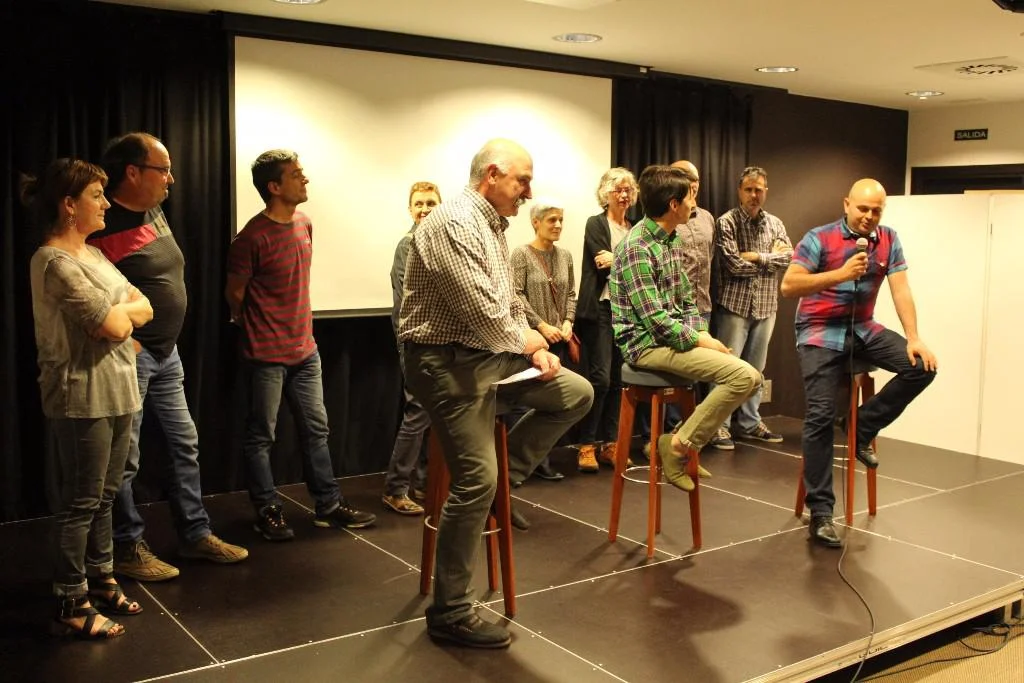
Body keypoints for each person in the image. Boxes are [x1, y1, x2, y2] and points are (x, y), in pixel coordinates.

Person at [398, 138, 593, 649]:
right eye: (522, 181)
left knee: (575, 393)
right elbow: (480, 312)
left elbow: (505, 303)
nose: (528, 192)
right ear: (491, 175)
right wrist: (530, 344)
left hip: (486, 356)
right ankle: (449, 613)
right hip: (444, 364)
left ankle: (504, 484)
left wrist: (532, 345)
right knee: (475, 480)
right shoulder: (453, 222)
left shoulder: (491, 224)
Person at [89, 132, 248, 581]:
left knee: (183, 445)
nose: (171, 180)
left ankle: (195, 534)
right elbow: (92, 299)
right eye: (163, 170)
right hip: (131, 358)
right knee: (125, 458)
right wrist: (129, 343)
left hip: (166, 355)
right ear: (133, 172)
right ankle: (126, 547)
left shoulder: (153, 210)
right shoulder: (101, 224)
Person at [25, 158, 153, 639]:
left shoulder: (95, 255)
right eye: (96, 196)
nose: (105, 204)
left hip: (119, 389)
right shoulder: (54, 261)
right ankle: (70, 598)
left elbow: (145, 305)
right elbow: (116, 324)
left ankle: (101, 578)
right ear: (68, 204)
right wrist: (121, 315)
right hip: (81, 395)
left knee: (105, 495)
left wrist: (122, 314)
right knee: (81, 501)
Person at [225, 150, 376, 541]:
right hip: (266, 355)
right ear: (274, 186)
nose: (304, 179)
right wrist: (255, 326)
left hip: (305, 350)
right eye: (296, 174)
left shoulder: (304, 223)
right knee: (262, 435)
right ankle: (267, 510)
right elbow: (235, 293)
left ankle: (328, 505)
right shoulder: (251, 238)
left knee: (316, 430)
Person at [781, 178, 937, 548]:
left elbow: (901, 288)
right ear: (846, 204)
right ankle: (821, 512)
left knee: (920, 367)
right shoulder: (819, 238)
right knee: (819, 415)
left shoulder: (889, 239)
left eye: (876, 211)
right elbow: (789, 286)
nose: (868, 216)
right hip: (819, 331)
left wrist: (914, 337)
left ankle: (858, 426)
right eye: (862, 208)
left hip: (863, 329)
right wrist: (840, 274)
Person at [609, 165, 761, 492]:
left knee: (752, 378)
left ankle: (678, 441)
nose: (695, 202)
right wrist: (700, 341)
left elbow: (686, 300)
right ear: (673, 204)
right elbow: (655, 320)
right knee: (743, 376)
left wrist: (701, 334)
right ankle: (679, 447)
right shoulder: (637, 247)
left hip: (671, 339)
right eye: (689, 196)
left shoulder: (671, 239)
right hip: (646, 346)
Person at [711, 166, 792, 449]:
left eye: (758, 190)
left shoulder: (776, 223)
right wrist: (770, 259)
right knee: (726, 368)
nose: (754, 195)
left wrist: (756, 256)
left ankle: (749, 422)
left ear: (765, 191)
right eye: (748, 189)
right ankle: (717, 426)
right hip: (734, 306)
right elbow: (733, 264)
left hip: (766, 306)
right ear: (739, 191)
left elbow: (789, 258)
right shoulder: (727, 222)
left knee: (756, 370)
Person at [381, 181, 442, 516]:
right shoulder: (409, 245)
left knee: (432, 413)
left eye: (431, 203)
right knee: (418, 410)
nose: (425, 209)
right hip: (416, 342)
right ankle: (395, 489)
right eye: (419, 204)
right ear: (410, 209)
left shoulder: (440, 243)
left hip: (438, 343)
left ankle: (424, 483)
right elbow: (412, 301)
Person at [508, 200, 578, 483]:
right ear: (535, 222)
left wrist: (568, 321)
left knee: (557, 400)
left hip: (559, 338)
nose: (558, 225)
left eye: (560, 219)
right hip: (532, 341)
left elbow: (570, 293)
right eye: (551, 220)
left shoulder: (565, 256)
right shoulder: (521, 254)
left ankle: (542, 458)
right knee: (529, 400)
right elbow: (516, 295)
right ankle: (520, 463)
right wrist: (541, 325)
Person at [575, 167, 639, 473]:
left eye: (628, 190)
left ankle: (611, 444)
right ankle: (586, 444)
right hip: (601, 308)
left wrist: (619, 260)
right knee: (600, 379)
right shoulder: (595, 223)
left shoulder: (635, 228)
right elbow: (602, 263)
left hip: (627, 311)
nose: (624, 195)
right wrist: (628, 262)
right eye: (618, 190)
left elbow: (636, 267)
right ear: (606, 194)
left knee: (619, 379)